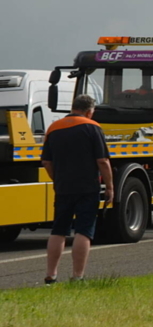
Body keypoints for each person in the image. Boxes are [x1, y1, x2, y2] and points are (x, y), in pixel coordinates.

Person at [40, 94, 113, 284]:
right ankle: (77, 276)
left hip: (63, 187)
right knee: (84, 231)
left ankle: (51, 274)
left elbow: (46, 161)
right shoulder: (92, 127)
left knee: (58, 230)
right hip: (87, 186)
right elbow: (103, 161)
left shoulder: (53, 128)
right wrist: (110, 187)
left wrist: (57, 179)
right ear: (89, 111)